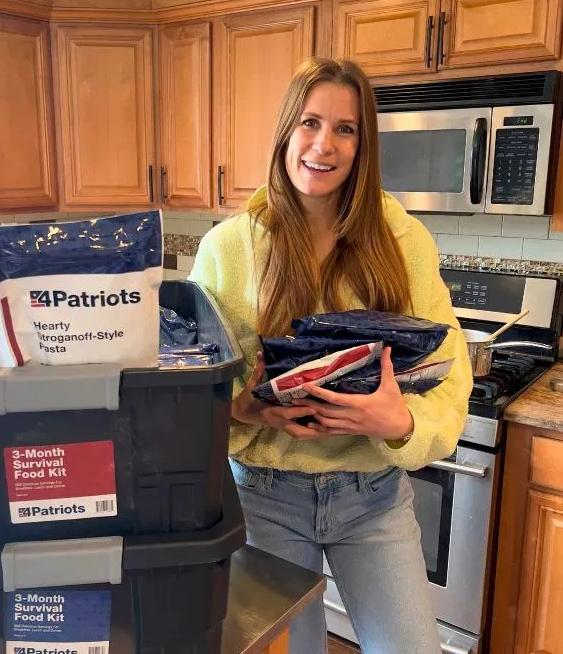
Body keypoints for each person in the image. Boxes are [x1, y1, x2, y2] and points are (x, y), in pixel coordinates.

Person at [188, 56, 472, 654]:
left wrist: (401, 422)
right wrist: (245, 409)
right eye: (310, 122)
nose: (323, 144)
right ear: (286, 130)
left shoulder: (403, 241)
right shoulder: (226, 248)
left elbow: (452, 371)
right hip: (264, 497)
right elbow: (191, 388)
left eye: (345, 128)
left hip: (374, 498)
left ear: (363, 145)